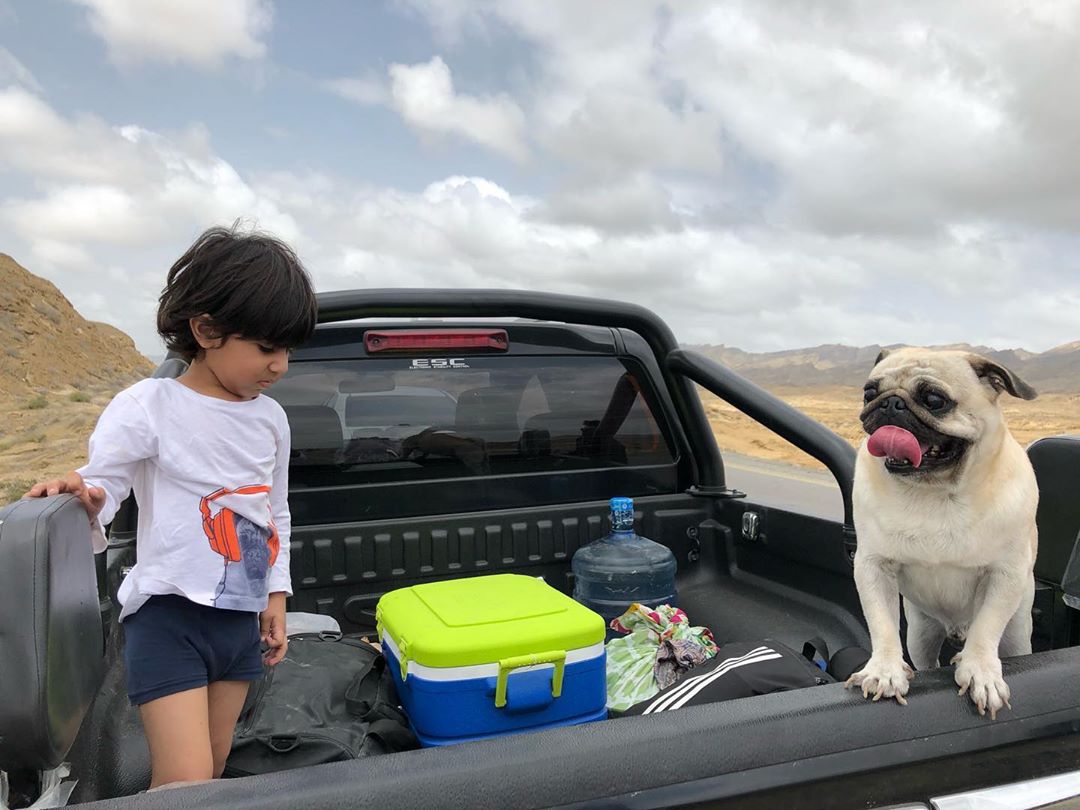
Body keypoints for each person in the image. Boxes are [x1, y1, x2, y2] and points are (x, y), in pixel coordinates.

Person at [24, 224, 318, 789]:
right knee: (183, 783)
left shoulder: (271, 420)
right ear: (206, 330)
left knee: (212, 763)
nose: (280, 365)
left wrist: (275, 595)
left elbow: (273, 514)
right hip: (169, 619)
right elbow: (105, 484)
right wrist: (81, 493)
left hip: (239, 623)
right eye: (265, 348)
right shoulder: (149, 405)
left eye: (287, 350)